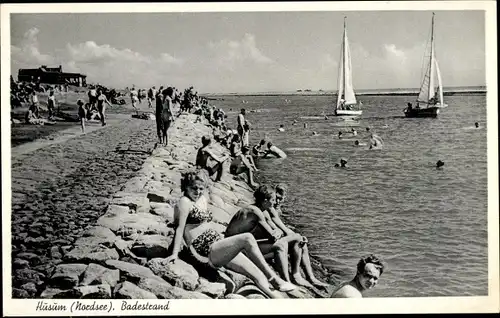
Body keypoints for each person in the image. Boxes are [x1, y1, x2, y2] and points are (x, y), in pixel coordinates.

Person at [166, 170, 295, 299]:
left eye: (201, 188)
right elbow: (179, 228)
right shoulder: (184, 202)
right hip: (202, 251)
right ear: (186, 186)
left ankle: (281, 299)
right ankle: (275, 279)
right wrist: (174, 254)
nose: (198, 192)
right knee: (247, 238)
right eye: (194, 188)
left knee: (258, 274)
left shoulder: (202, 199)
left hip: (216, 246)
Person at [225, 185, 301, 288]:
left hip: (239, 245)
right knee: (281, 245)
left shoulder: (259, 209)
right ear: (265, 201)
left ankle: (296, 277)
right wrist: (281, 233)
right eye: (273, 200)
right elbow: (273, 235)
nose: (275, 202)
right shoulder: (255, 212)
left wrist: (278, 231)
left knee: (293, 239)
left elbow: (274, 231)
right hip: (235, 250)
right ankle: (287, 281)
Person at [272, 184, 330, 289]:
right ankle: (296, 274)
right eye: (276, 199)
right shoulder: (271, 209)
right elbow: (276, 228)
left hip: (275, 240)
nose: (278, 202)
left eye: (281, 199)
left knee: (302, 243)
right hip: (271, 244)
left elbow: (281, 227)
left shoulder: (277, 209)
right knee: (299, 239)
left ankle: (311, 277)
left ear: (285, 198)